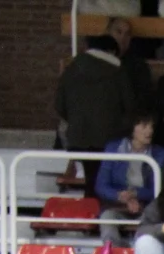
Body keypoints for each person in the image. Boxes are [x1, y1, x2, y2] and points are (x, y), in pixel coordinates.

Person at [57, 34, 139, 187]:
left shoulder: (72, 69)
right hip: (109, 139)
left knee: (90, 180)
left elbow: (59, 105)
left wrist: (76, 122)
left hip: (78, 138)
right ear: (112, 52)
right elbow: (130, 107)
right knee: (103, 183)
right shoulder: (118, 72)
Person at [96, 114, 164, 245]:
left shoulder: (161, 154)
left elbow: (157, 190)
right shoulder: (113, 148)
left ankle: (140, 252)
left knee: (150, 224)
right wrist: (121, 196)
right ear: (132, 128)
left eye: (151, 126)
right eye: (144, 126)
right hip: (117, 205)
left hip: (147, 207)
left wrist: (136, 194)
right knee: (107, 219)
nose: (150, 131)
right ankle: (113, 253)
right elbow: (101, 185)